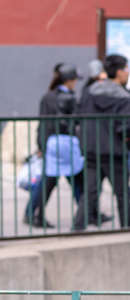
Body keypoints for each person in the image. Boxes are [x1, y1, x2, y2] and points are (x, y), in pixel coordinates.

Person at [28, 64, 88, 228]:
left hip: (52, 144)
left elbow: (43, 123)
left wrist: (41, 144)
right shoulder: (66, 97)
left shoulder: (49, 96)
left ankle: (33, 214)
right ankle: (84, 216)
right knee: (78, 181)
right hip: (64, 144)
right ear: (69, 80)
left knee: (50, 182)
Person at [74, 54, 130, 230]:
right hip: (115, 152)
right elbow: (125, 125)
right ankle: (126, 229)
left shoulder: (90, 91)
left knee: (89, 193)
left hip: (91, 149)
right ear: (119, 72)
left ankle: (77, 229)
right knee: (123, 194)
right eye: (127, 69)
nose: (128, 73)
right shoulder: (123, 96)